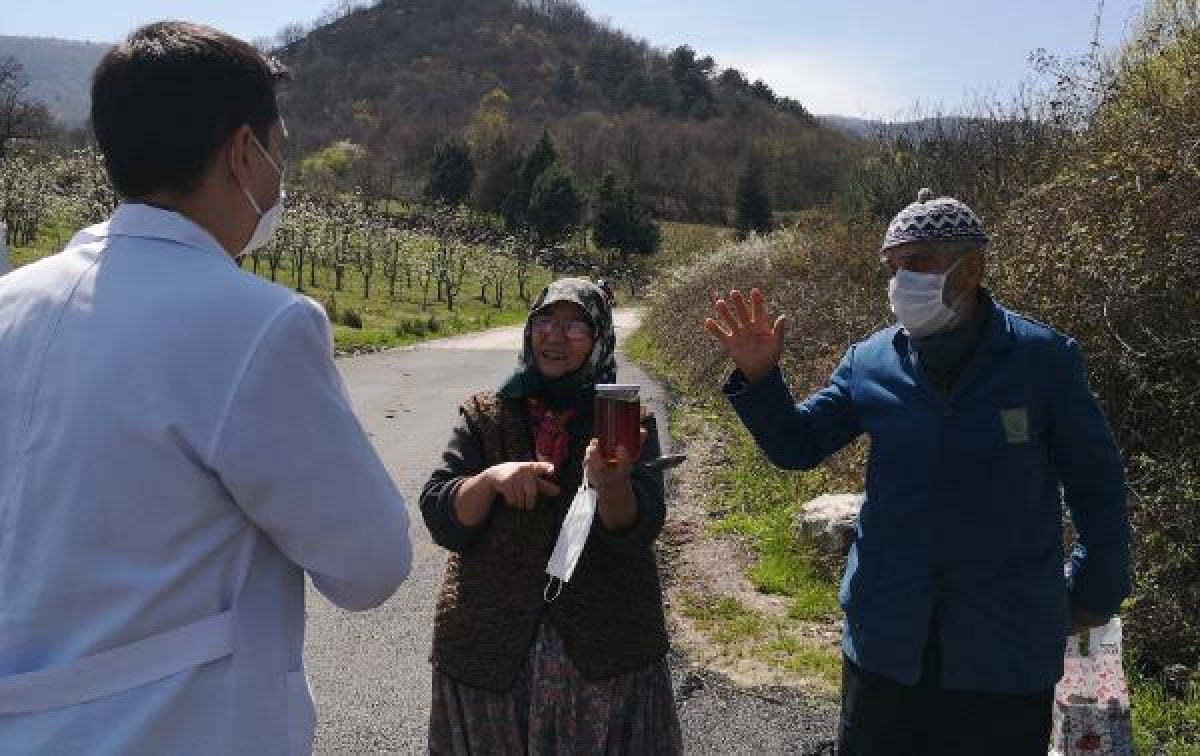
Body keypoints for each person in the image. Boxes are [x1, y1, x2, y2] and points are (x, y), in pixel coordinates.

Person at [0, 22, 411, 754]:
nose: (279, 176)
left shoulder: (14, 300)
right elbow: (369, 564)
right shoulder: (260, 326)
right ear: (242, 153)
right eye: (279, 151)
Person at [704, 191, 1131, 755]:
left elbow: (1096, 486)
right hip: (886, 640)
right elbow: (798, 445)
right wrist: (760, 379)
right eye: (895, 266)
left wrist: (1090, 594)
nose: (903, 281)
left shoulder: (1043, 360)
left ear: (972, 267)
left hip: (1005, 648)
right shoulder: (870, 361)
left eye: (919, 263)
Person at [421, 278, 682, 754]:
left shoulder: (624, 419)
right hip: (489, 657)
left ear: (600, 337)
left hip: (605, 656)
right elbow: (440, 511)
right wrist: (490, 480)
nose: (555, 336)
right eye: (545, 321)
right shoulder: (487, 415)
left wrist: (613, 485)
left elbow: (639, 527)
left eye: (574, 325)